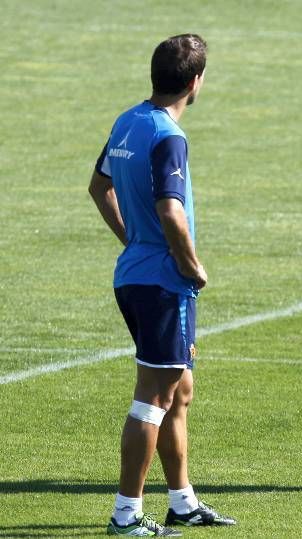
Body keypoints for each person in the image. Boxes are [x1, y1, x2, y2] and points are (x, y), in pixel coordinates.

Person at [89, 34, 236, 536]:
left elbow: (99, 185)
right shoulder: (170, 136)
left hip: (135, 276)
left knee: (179, 390)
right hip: (163, 285)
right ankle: (126, 514)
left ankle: (182, 500)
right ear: (195, 83)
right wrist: (190, 264)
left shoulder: (128, 120)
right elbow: (171, 209)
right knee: (152, 397)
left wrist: (133, 240)